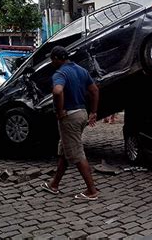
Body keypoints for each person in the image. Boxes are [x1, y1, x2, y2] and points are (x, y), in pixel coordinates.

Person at [41, 46, 99, 200]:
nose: (51, 62)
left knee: (76, 153)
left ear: (56, 59)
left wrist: (59, 111)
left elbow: (57, 91)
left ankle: (91, 191)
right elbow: (94, 90)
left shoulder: (60, 73)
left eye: (51, 59)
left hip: (70, 117)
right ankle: (54, 184)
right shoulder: (81, 70)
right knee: (66, 150)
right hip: (82, 114)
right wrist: (93, 111)